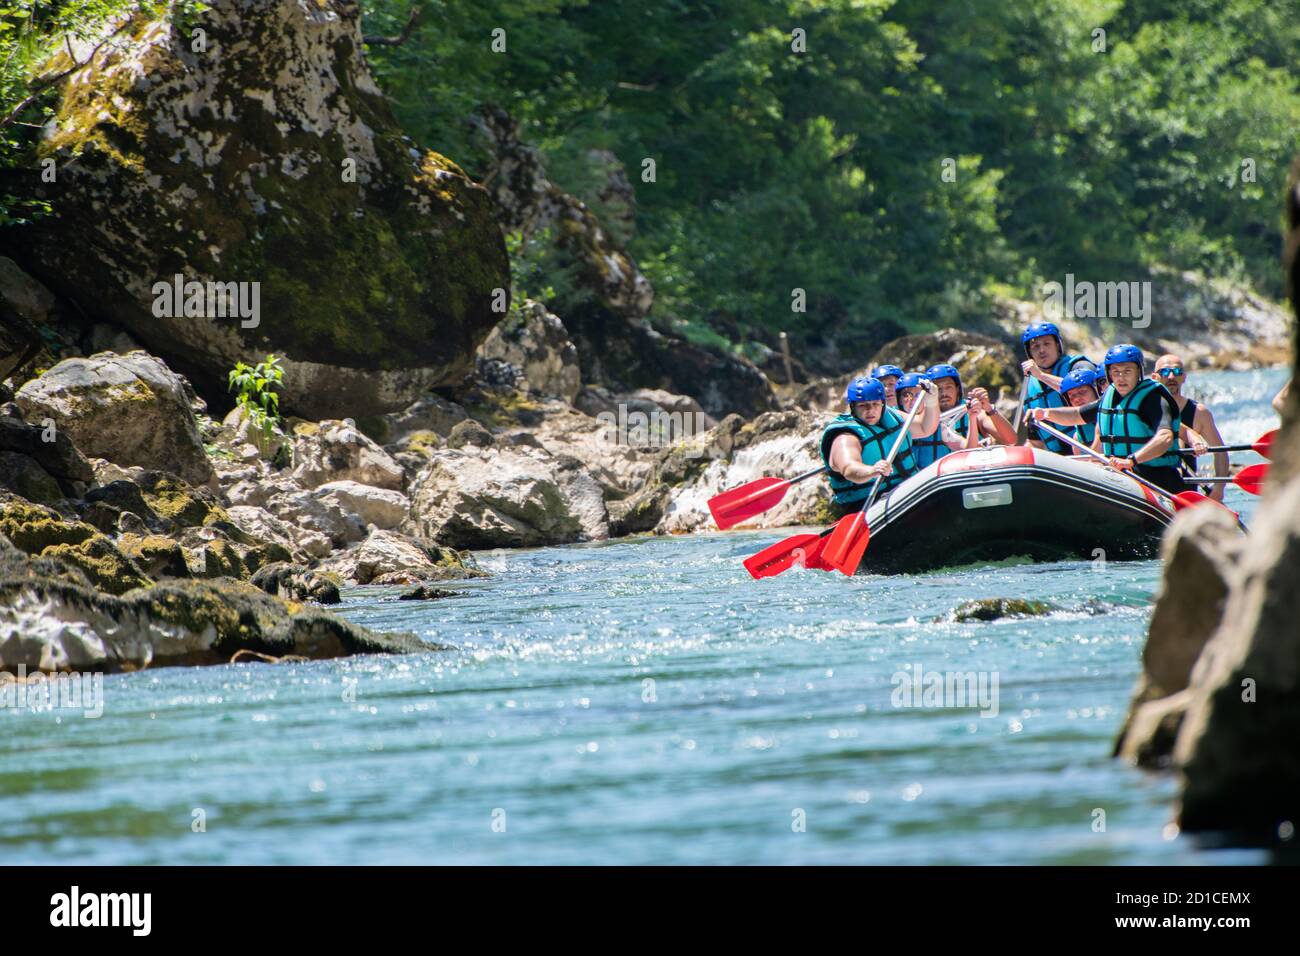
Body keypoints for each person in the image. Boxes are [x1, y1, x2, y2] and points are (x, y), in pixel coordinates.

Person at [1028, 343, 1184, 494]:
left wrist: (1132, 460)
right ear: (1109, 375)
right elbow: (1077, 415)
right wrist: (1046, 413)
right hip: (1124, 478)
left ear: (1139, 372)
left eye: (1127, 371)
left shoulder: (1153, 399)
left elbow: (1165, 437)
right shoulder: (1109, 399)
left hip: (1157, 478)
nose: (1121, 377)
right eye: (1116, 372)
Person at [820, 375, 939, 514]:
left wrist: (931, 401)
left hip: (905, 492)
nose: (870, 410)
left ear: (883, 403)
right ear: (853, 407)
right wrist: (871, 470)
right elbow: (849, 468)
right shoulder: (845, 437)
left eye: (875, 404)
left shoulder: (892, 417)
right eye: (863, 405)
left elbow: (925, 428)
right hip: (865, 506)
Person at [1152, 354, 1228, 502]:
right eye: (1165, 372)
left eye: (1177, 371)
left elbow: (1220, 452)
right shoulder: (1144, 409)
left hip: (1186, 493)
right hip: (1153, 489)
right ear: (1155, 377)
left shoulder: (1199, 413)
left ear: (1184, 377)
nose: (1171, 376)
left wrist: (1219, 488)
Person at [910, 364, 1017, 466]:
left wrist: (989, 408)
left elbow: (1010, 440)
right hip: (938, 482)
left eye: (948, 387)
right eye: (939, 389)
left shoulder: (976, 413)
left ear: (957, 389)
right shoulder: (922, 421)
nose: (943, 394)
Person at [1020, 321, 1097, 454]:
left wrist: (1041, 375)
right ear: (1030, 353)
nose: (1042, 350)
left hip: (1091, 448)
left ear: (1057, 345)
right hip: (1060, 459)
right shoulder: (1029, 386)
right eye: (1035, 346)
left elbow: (1090, 394)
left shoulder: (1079, 366)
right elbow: (1034, 441)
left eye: (1047, 343)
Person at [1056, 368, 1102, 446]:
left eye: (1082, 392)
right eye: (1072, 396)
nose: (1077, 399)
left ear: (1096, 390)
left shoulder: (1112, 418)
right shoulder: (1078, 438)